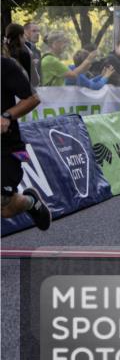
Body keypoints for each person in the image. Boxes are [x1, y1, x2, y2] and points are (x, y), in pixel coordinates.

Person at [1, 55, 52, 229]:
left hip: (5, 146)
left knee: (5, 206)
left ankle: (31, 202)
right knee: (6, 210)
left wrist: (7, 116)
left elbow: (33, 99)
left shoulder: (5, 65)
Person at [23, 20, 42, 86]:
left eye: (38, 31)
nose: (37, 33)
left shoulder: (38, 52)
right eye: (34, 31)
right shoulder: (21, 50)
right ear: (25, 32)